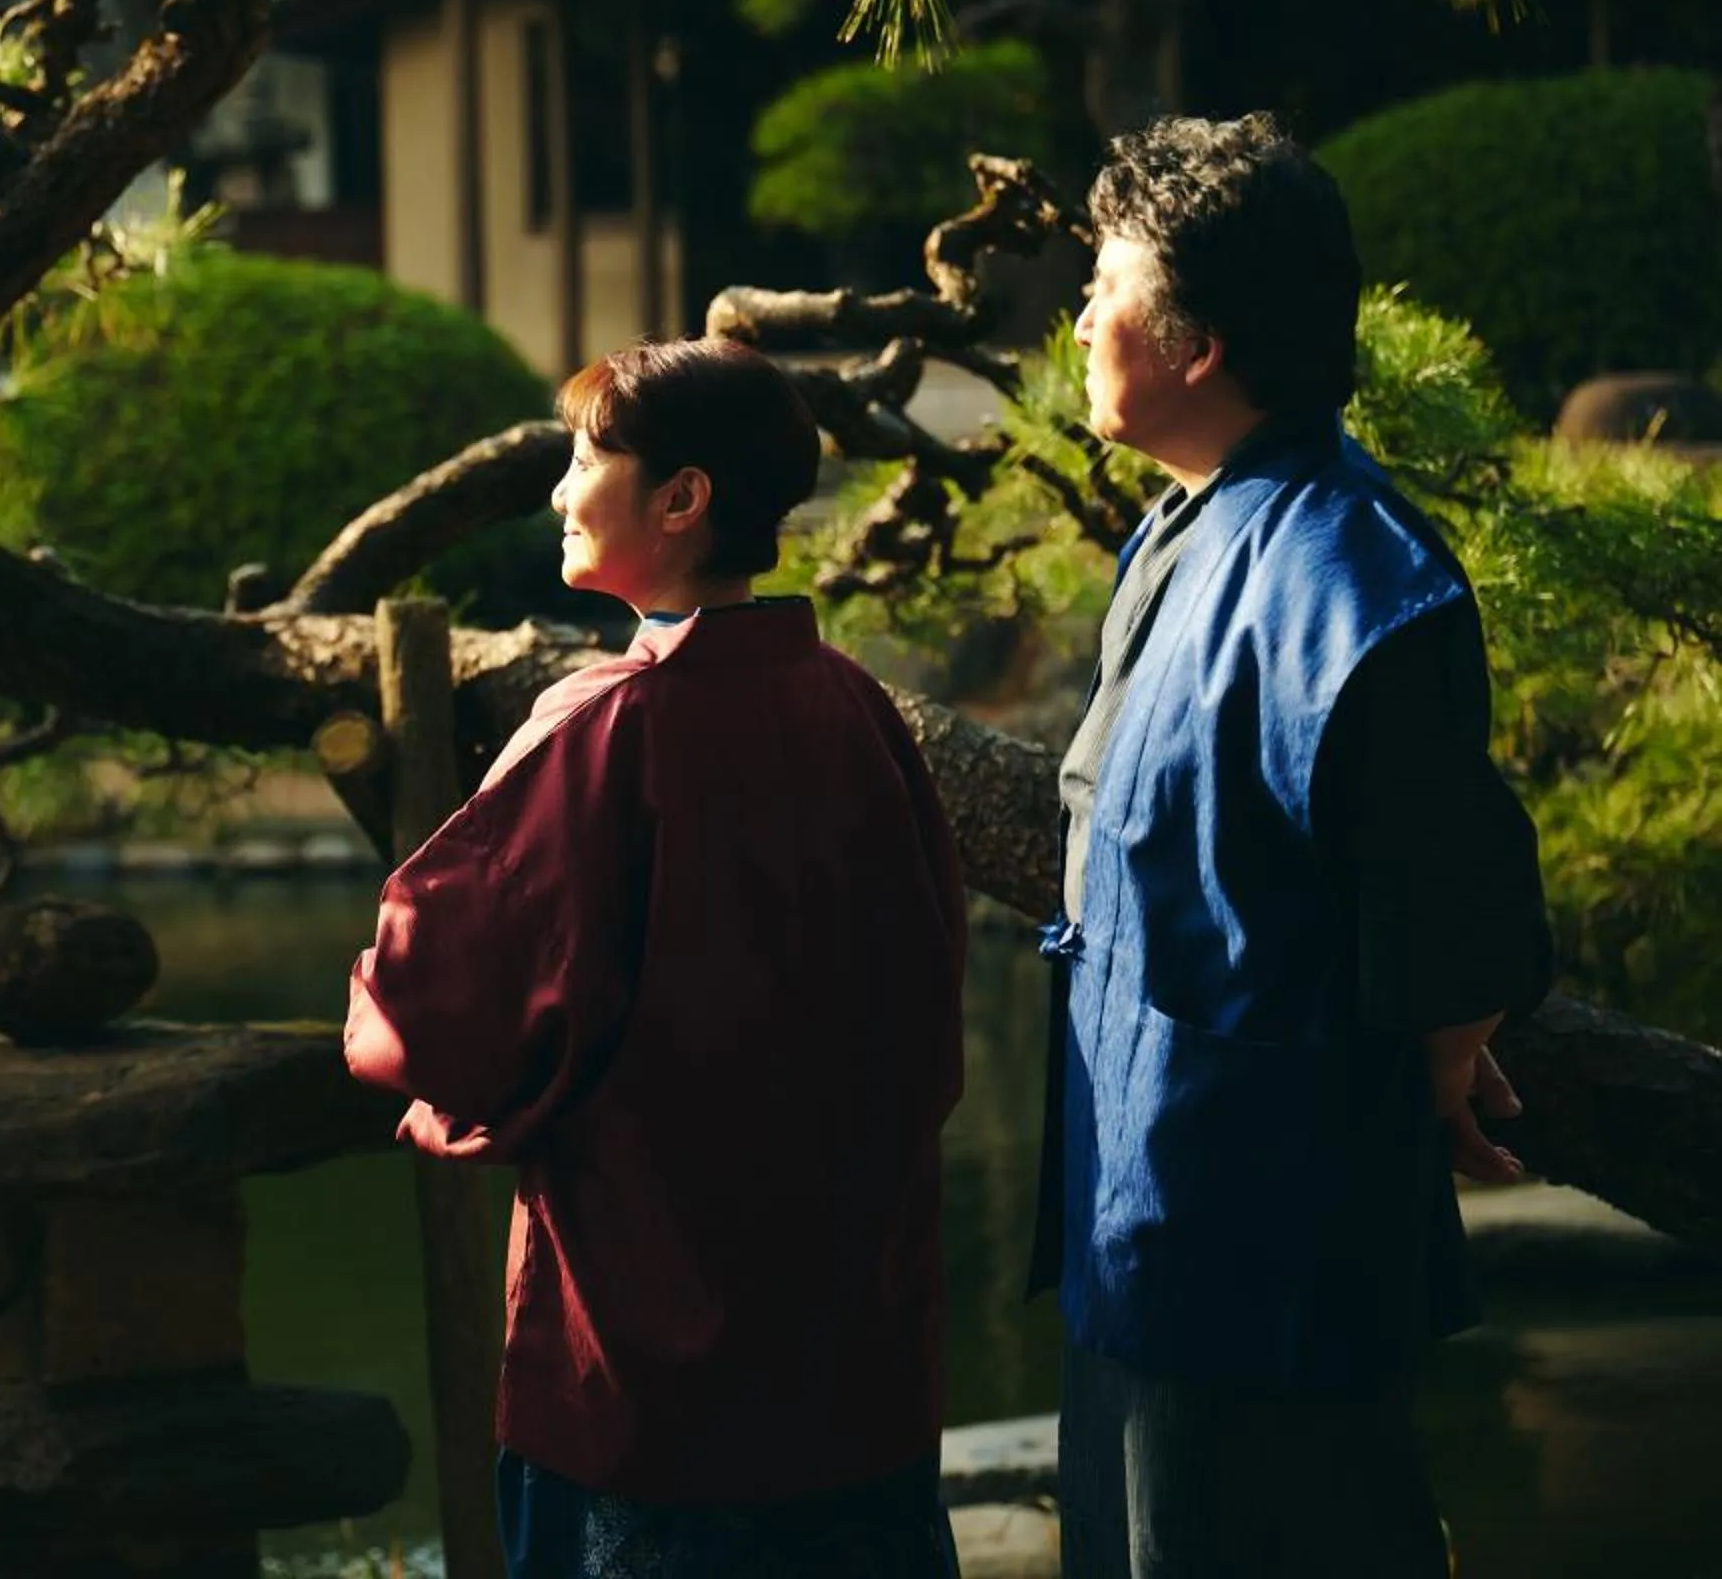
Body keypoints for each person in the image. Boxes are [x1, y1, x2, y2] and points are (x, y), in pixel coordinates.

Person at [343, 335, 970, 1579]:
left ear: (682, 499)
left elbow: (428, 1008)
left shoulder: (605, 722)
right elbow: (930, 999)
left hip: (647, 1376)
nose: (561, 491)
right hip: (856, 1362)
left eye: (587, 457)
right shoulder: (852, 706)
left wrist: (444, 1102)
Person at [1035, 114, 1555, 1578]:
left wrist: (1450, 1059)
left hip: (1264, 1256)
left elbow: (1455, 899)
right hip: (1141, 1226)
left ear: (1199, 342)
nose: (1080, 315)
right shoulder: (1182, 528)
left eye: (1108, 284)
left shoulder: (1354, 576)